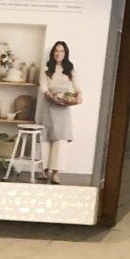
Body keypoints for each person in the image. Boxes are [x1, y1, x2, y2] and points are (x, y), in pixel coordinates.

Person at [39, 40, 80, 184]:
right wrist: (52, 97)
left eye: (62, 51)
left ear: (66, 53)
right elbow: (43, 88)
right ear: (52, 53)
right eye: (56, 51)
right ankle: (44, 170)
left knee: (61, 140)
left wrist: (77, 97)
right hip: (49, 106)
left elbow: (77, 88)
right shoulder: (46, 69)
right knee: (46, 137)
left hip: (64, 108)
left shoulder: (70, 70)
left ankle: (55, 173)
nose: (59, 54)